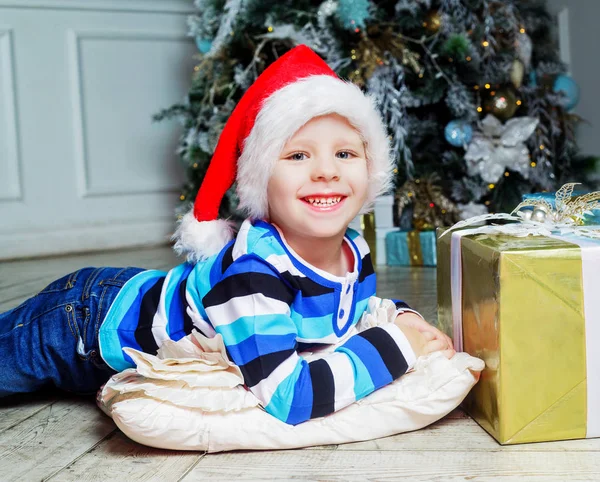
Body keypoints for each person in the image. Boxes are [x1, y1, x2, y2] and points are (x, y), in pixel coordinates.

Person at [0, 45, 454, 424]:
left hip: (133, 303)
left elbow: (352, 313)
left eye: (344, 152)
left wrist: (401, 314)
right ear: (261, 182)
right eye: (297, 155)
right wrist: (397, 345)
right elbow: (289, 398)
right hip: (85, 319)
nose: (326, 171)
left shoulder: (354, 247)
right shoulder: (255, 274)